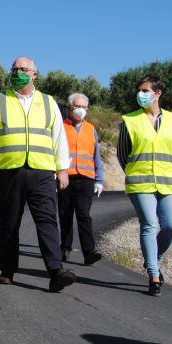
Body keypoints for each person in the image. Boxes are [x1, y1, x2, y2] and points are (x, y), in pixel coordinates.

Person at [0, 57, 76, 292]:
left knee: (47, 221)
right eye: (15, 69)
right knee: (9, 223)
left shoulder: (49, 103)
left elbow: (59, 138)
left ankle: (56, 270)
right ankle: (7, 270)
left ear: (34, 75)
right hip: (9, 170)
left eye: (23, 69)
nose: (18, 72)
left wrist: (62, 169)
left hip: (41, 172)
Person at [117, 74, 172, 296]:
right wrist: (135, 172)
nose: (141, 94)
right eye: (139, 90)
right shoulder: (130, 120)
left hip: (168, 182)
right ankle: (154, 275)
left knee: (171, 227)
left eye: (146, 90)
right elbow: (122, 154)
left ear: (158, 93)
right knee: (149, 224)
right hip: (140, 182)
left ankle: (156, 258)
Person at [59, 93, 104, 266]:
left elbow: (96, 156)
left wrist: (99, 179)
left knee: (84, 215)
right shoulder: (60, 126)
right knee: (65, 214)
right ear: (70, 108)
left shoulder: (91, 129)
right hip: (65, 177)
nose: (81, 110)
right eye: (78, 107)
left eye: (85, 107)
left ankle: (89, 251)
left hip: (86, 178)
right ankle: (65, 247)